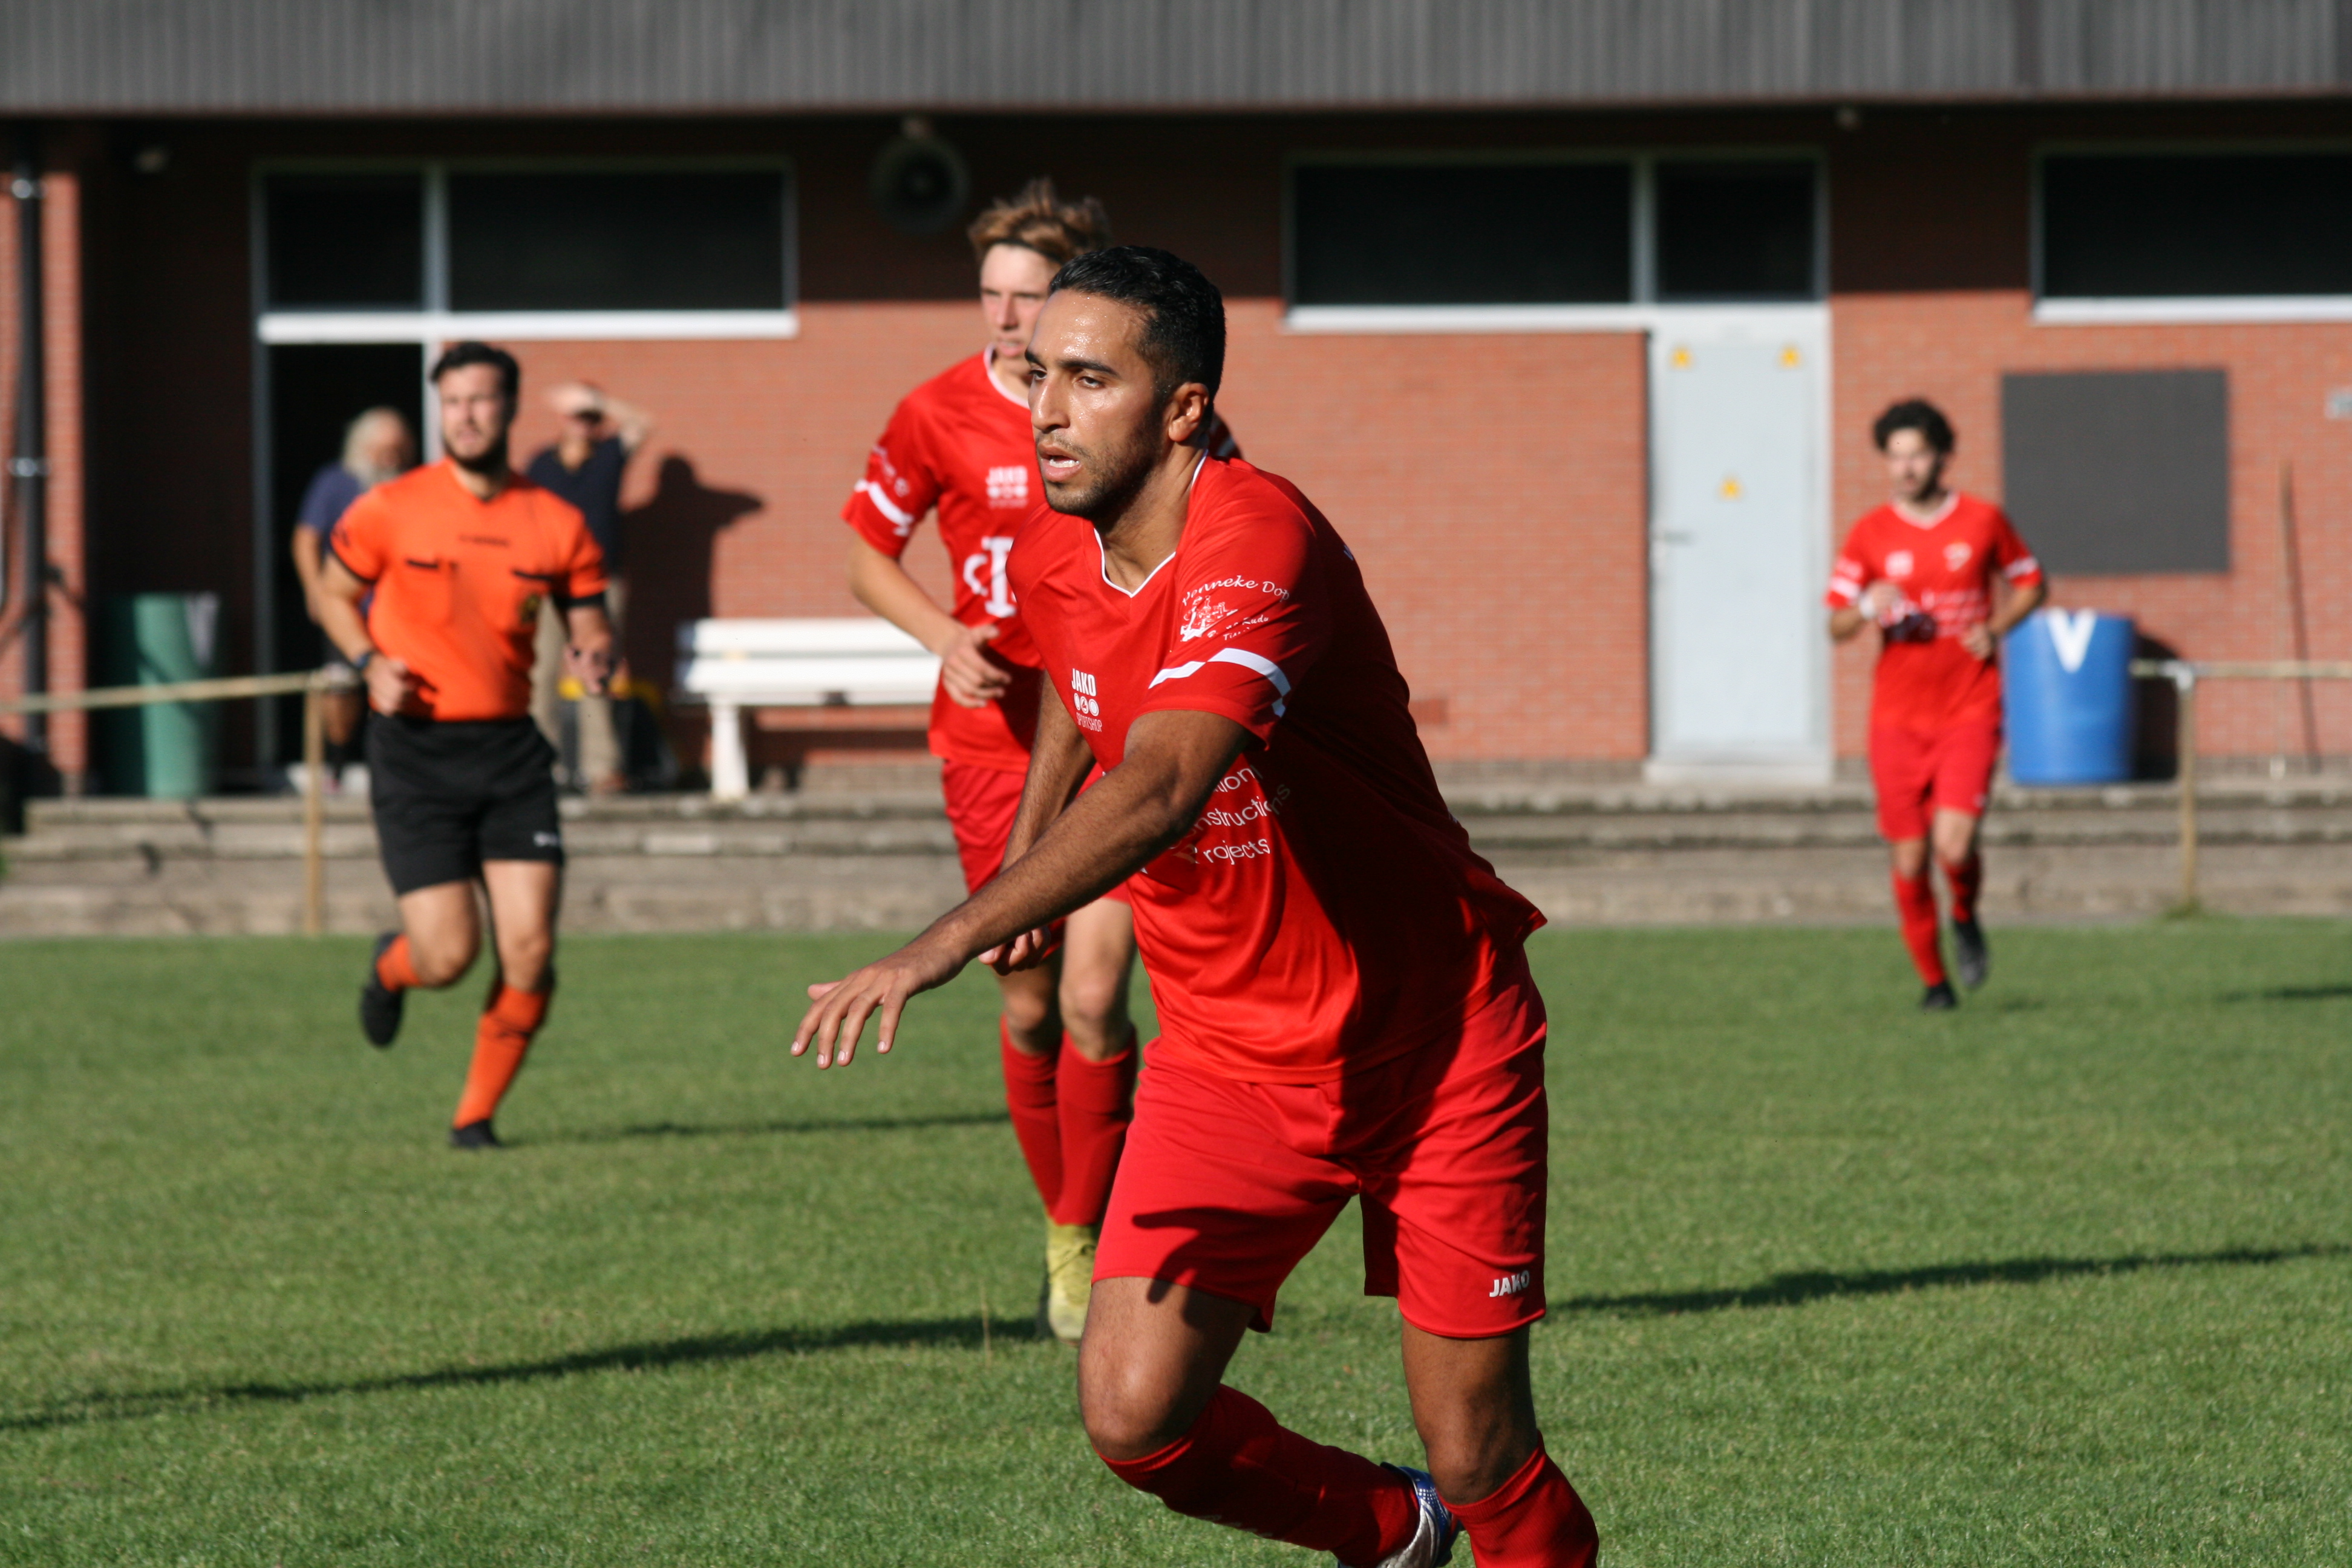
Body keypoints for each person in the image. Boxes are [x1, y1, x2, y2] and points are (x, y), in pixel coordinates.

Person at [795, 248, 1597, 1568]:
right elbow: (1073, 682)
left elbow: (1168, 777)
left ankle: (1458, 1505)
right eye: (1037, 372)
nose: (1044, 408)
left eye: (1089, 378)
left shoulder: (1259, 533)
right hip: (1225, 1061)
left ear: (1180, 408)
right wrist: (1032, 836)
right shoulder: (1061, 558)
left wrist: (959, 931)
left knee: (1484, 1450)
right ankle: (1395, 1532)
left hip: (1433, 1042)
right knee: (1134, 1417)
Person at [840, 180, 1237, 1345]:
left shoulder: (1143, 410)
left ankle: (1088, 1242)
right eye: (992, 296)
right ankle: (1066, 1222)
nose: (1006, 320)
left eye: (1029, 297)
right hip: (988, 747)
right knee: (1024, 1002)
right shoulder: (935, 412)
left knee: (1092, 995)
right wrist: (944, 635)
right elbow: (865, 553)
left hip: (1116, 741)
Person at [313, 342, 613, 1148]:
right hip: (414, 753)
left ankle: (475, 1118)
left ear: (510, 409)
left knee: (529, 949)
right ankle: (391, 967)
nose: (467, 415)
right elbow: (333, 591)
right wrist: (367, 662)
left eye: (482, 400)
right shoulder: (391, 507)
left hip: (511, 753)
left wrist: (596, 650)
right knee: (447, 957)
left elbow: (588, 617)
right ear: (437, 411)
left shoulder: (556, 522)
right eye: (453, 403)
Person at [1828, 399, 2047, 1010]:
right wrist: (1868, 606)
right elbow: (1836, 625)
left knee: (1953, 845)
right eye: (1895, 456)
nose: (1906, 467)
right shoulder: (1871, 533)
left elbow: (2032, 582)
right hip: (1897, 720)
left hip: (1970, 706)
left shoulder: (1981, 521)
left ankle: (1967, 915)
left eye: (1917, 454)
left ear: (1943, 456)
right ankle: (1934, 983)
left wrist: (1997, 626)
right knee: (1910, 853)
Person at [525, 381, 654, 794]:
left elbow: (644, 423)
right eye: (578, 415)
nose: (586, 423)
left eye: (592, 418)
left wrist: (598, 400)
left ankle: (603, 769)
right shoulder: (541, 464)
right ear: (562, 419)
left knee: (595, 671)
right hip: (547, 582)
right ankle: (541, 767)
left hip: (598, 582)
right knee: (541, 671)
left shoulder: (610, 455)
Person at [290, 407, 415, 788]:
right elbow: (306, 539)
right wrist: (315, 589)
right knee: (340, 687)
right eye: (382, 451)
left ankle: (392, 767)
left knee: (394, 688)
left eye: (397, 451)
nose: (389, 459)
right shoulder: (335, 483)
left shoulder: (411, 487)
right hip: (347, 608)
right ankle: (337, 764)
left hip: (396, 611)